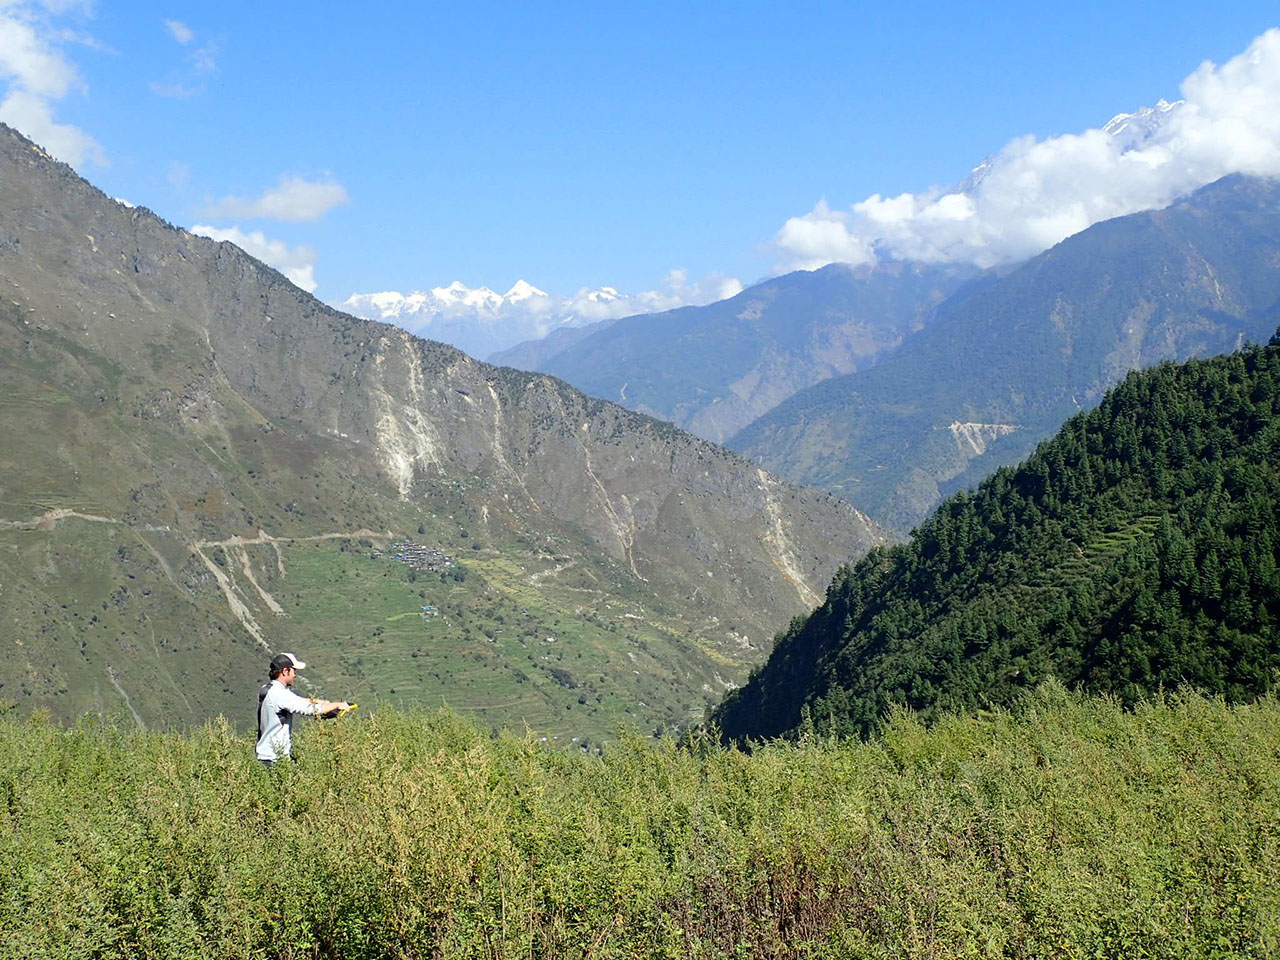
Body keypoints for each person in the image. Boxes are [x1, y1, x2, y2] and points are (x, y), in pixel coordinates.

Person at [256, 652, 351, 765]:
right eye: (294, 671)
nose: (295, 675)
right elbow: (309, 709)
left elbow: (298, 701)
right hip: (275, 759)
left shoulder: (268, 689)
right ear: (285, 671)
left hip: (265, 756)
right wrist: (338, 705)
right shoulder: (279, 694)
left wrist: (323, 703)